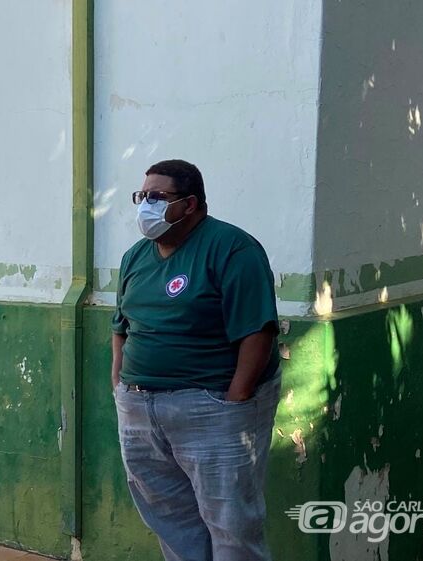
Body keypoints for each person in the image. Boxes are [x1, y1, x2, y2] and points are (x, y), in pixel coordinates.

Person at [111, 159, 282, 561]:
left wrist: (237, 399)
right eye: (142, 195)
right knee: (170, 521)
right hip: (140, 409)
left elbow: (257, 330)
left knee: (232, 525)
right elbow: (121, 326)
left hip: (213, 408)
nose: (146, 204)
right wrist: (120, 385)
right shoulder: (136, 256)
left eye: (158, 197)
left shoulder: (233, 248)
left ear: (190, 204)